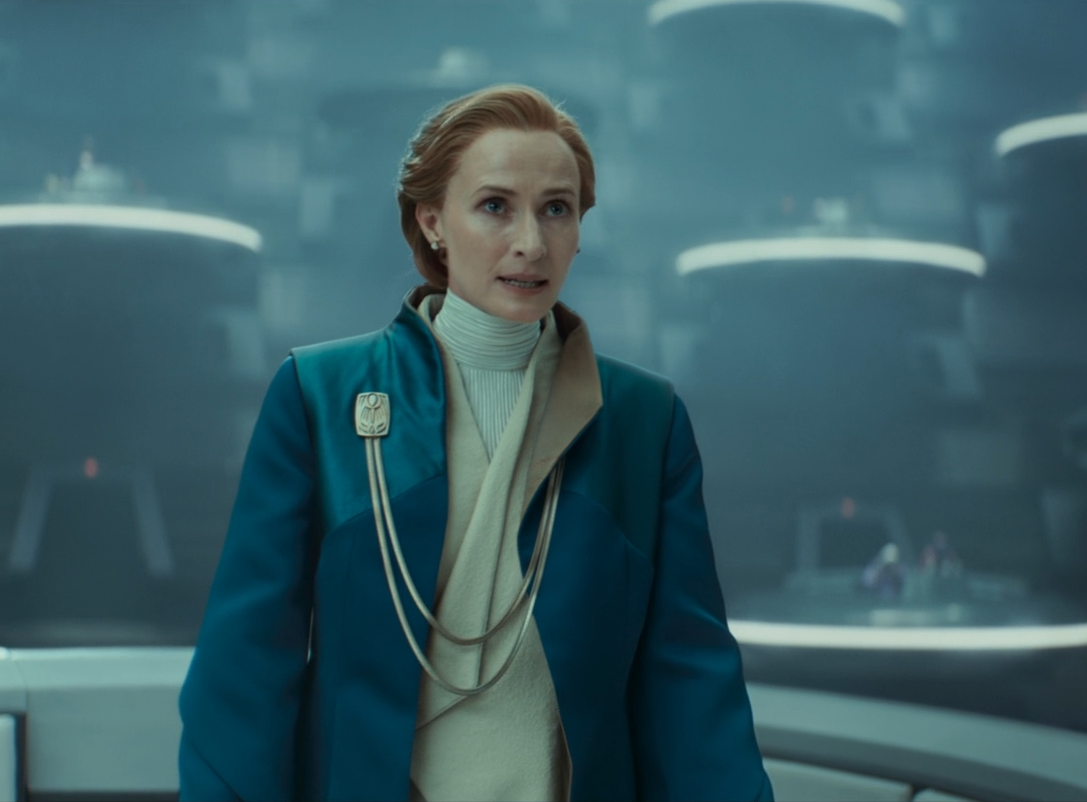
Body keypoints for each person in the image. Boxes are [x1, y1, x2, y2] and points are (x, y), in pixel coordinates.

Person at [176, 84, 772, 802]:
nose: (531, 242)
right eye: (495, 206)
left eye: (556, 209)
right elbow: (244, 671)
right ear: (431, 221)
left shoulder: (643, 420)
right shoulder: (319, 395)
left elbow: (691, 686)